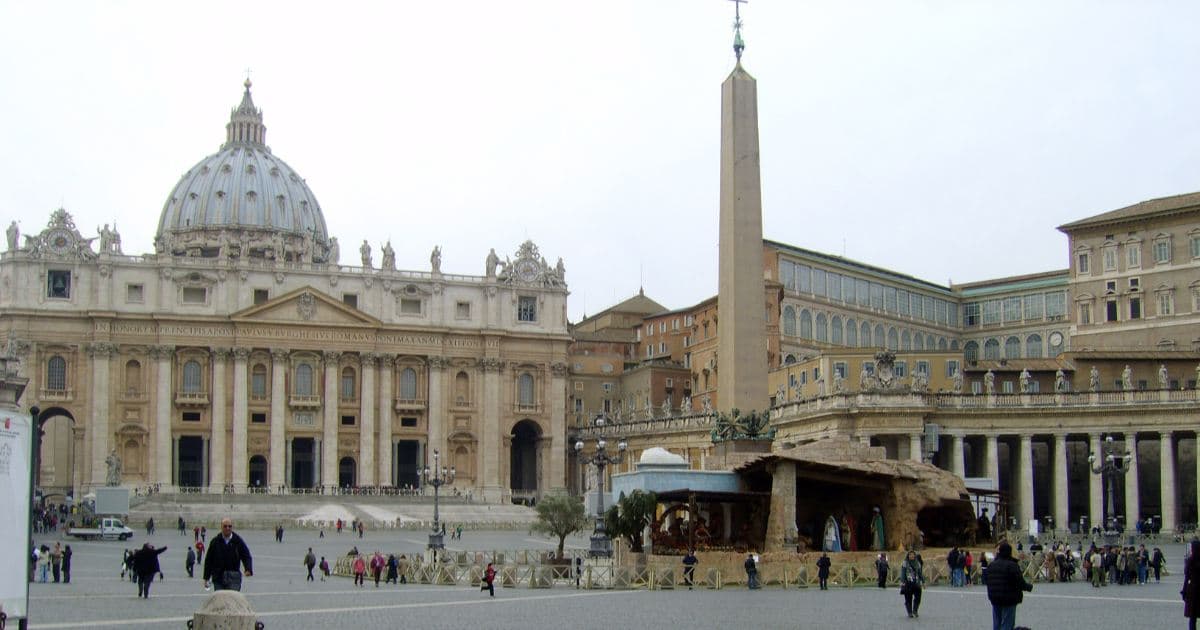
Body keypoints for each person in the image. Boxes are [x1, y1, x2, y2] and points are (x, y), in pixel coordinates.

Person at [984, 541, 1033, 630]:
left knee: (997, 623)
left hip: (995, 598)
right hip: (1009, 598)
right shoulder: (1012, 565)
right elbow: (1019, 582)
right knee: (1007, 623)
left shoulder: (992, 565)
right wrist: (1028, 587)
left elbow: (987, 580)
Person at [202, 518, 253, 592]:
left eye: (229, 526)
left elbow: (246, 555)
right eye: (225, 526)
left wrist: (248, 568)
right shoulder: (215, 541)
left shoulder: (238, 541)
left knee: (232, 599)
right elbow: (209, 560)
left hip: (233, 576)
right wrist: (206, 577)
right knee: (220, 599)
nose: (227, 528)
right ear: (221, 527)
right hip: (219, 577)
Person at [900, 550, 924, 618]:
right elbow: (903, 572)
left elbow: (920, 573)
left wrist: (923, 581)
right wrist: (902, 581)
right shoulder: (905, 563)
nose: (912, 556)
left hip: (916, 582)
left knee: (918, 598)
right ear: (908, 555)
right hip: (908, 583)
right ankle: (909, 612)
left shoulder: (917, 563)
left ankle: (915, 611)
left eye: (913, 554)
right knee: (908, 599)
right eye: (910, 555)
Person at [1183, 540, 1200, 630]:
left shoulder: (1190, 560)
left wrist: (1184, 591)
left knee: (1192, 618)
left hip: (1192, 590)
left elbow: (1186, 577)